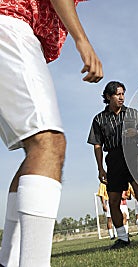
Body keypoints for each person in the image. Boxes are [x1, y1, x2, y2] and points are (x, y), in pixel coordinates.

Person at [0, 1, 103, 266]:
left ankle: (8, 261)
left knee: (34, 152)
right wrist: (82, 40)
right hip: (10, 24)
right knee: (49, 143)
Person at [88, 81, 138, 250]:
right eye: (117, 94)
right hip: (113, 159)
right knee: (113, 201)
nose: (121, 97)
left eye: (123, 94)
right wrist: (100, 168)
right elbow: (97, 145)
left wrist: (136, 133)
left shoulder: (133, 114)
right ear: (108, 97)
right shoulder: (99, 119)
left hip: (133, 156)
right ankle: (122, 238)